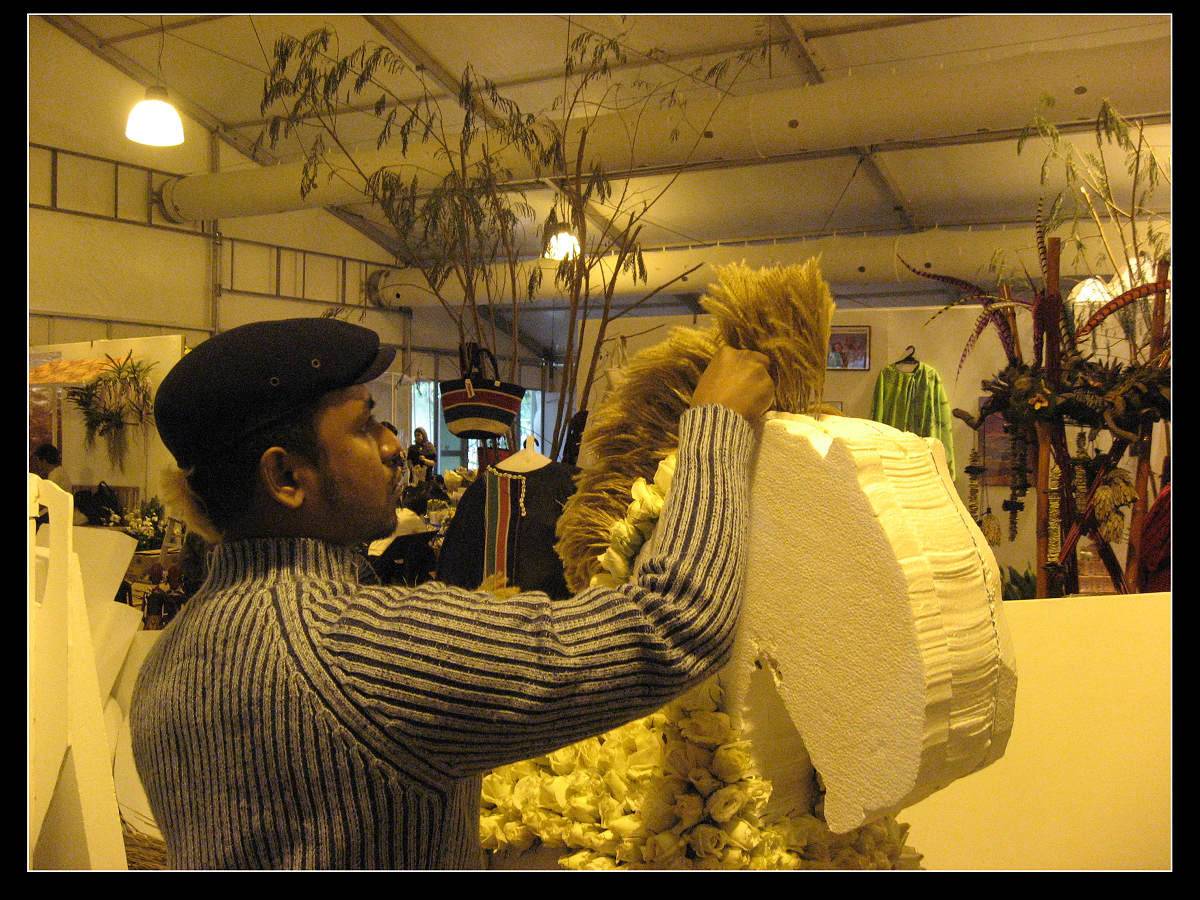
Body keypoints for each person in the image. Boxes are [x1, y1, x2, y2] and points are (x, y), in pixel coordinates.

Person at [130, 317, 773, 870]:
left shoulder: (166, 664)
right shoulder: (358, 648)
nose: (393, 447)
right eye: (365, 425)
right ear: (286, 476)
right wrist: (716, 426)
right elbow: (672, 625)